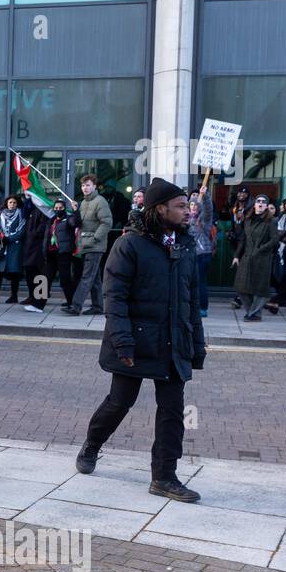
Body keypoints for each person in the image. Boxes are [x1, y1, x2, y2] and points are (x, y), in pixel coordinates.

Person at [76, 178, 206, 503]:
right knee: (120, 402)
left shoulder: (184, 245)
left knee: (173, 410)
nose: (188, 211)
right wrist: (123, 343)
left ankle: (164, 477)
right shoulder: (129, 245)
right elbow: (114, 298)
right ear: (160, 209)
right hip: (135, 341)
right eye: (180, 206)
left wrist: (196, 344)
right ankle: (91, 446)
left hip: (173, 342)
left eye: (187, 204)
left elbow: (189, 300)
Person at [63, 175, 111, 316]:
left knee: (87, 277)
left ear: (95, 186)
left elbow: (107, 222)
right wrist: (76, 210)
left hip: (94, 245)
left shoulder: (100, 201)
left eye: (88, 185)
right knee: (94, 278)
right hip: (85, 245)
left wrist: (95, 238)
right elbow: (79, 223)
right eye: (83, 185)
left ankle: (76, 306)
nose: (85, 188)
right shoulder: (83, 203)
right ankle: (97, 307)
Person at [231, 194, 276, 322]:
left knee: (259, 288)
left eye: (263, 202)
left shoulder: (271, 220)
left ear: (267, 205)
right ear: (255, 204)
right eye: (258, 201)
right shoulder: (248, 219)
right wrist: (236, 256)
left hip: (262, 258)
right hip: (247, 256)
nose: (260, 203)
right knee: (241, 286)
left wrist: (260, 249)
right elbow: (243, 239)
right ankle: (252, 311)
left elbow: (274, 240)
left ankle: (254, 314)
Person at [187, 187, 216, 318]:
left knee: (200, 282)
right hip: (190, 255)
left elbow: (209, 209)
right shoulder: (185, 220)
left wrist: (204, 196)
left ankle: (203, 308)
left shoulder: (204, 220)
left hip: (202, 254)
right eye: (191, 204)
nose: (193, 206)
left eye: (195, 204)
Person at [0, 194, 26, 304]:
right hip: (2, 246)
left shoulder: (21, 214)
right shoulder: (0, 215)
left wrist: (11, 238)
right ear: (6, 204)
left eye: (14, 203)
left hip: (15, 247)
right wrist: (2, 239)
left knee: (14, 274)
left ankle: (14, 296)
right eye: (10, 202)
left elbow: (22, 231)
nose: (12, 205)